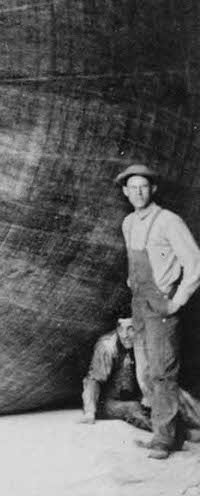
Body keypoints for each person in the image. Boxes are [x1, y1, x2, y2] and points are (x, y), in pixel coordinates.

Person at [115, 163, 200, 459]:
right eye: (132, 187)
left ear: (153, 189)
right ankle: (162, 431)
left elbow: (195, 262)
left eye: (143, 187)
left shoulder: (169, 221)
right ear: (126, 192)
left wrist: (177, 300)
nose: (138, 192)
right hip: (139, 303)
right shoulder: (128, 223)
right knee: (146, 370)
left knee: (164, 372)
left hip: (161, 305)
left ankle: (165, 440)